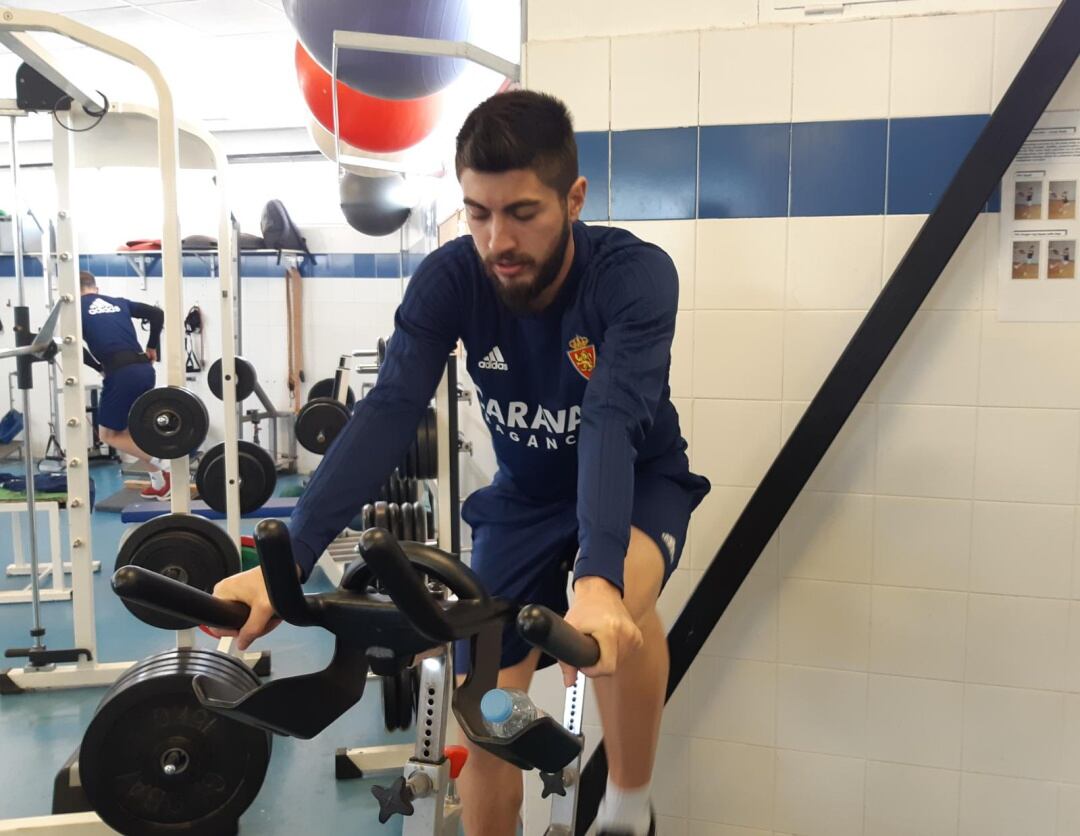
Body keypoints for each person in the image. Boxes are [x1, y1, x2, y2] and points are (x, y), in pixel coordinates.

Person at [210, 90, 710, 836]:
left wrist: (597, 580)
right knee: (483, 709)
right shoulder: (451, 278)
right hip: (525, 497)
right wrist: (289, 558)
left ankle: (627, 810)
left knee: (614, 619)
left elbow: (609, 416)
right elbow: (389, 411)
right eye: (478, 213)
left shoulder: (632, 278)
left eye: (522, 213)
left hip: (638, 482)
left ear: (573, 198)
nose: (496, 239)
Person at [80, 270, 170, 500]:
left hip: (121, 374)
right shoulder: (118, 302)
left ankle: (167, 465)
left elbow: (75, 350)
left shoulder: (74, 311)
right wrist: (152, 346)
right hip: (144, 369)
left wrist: (99, 367)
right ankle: (160, 484)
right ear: (96, 288)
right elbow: (156, 313)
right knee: (134, 432)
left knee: (108, 435)